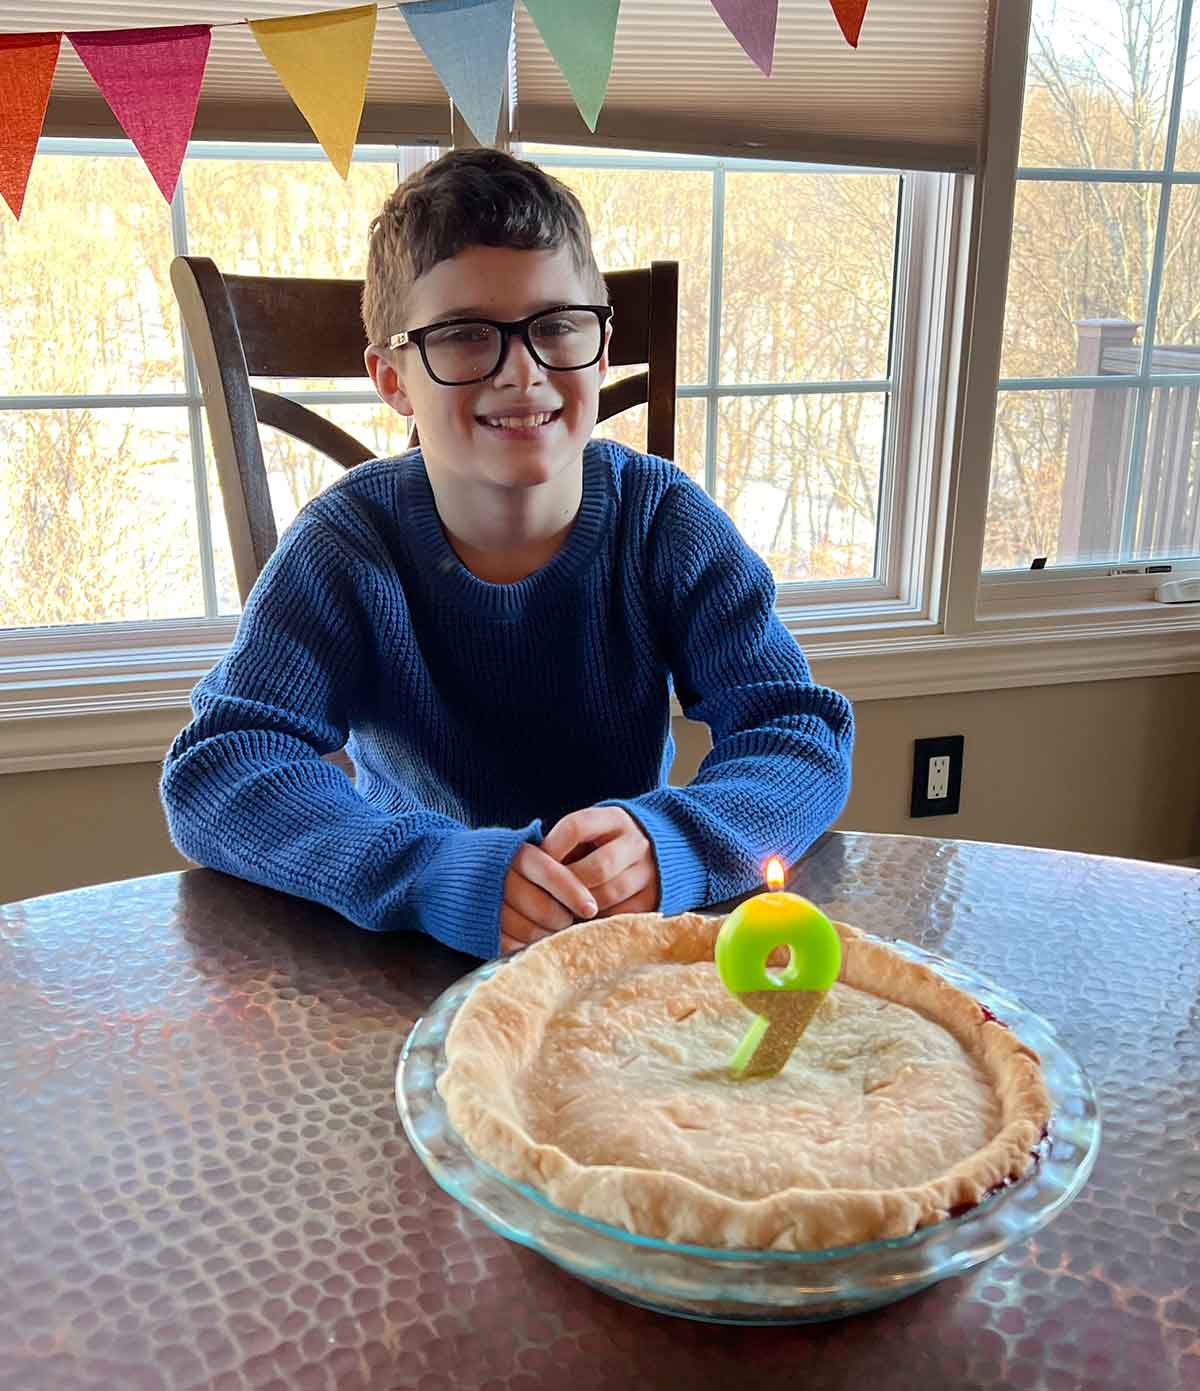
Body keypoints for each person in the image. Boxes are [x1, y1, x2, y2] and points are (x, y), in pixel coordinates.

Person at [160, 148, 854, 960]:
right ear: (392, 380)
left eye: (556, 325)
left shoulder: (663, 521)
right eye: (463, 336)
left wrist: (672, 840)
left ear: (600, 350)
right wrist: (430, 870)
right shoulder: (345, 547)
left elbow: (796, 730)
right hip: (409, 951)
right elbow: (219, 768)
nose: (522, 374)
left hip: (623, 946)